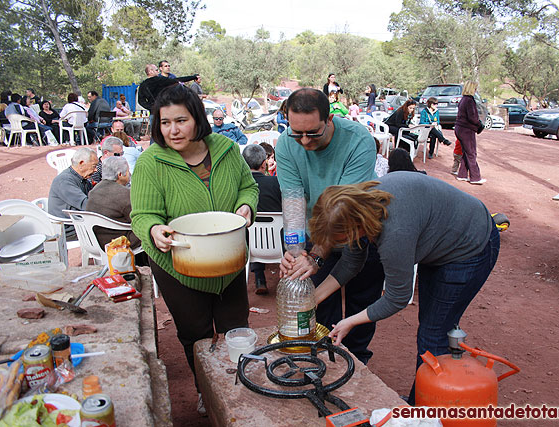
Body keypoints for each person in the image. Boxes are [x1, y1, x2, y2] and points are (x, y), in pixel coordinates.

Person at [308, 172, 500, 405]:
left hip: (469, 246)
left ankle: (423, 413)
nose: (344, 244)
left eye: (343, 239)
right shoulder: (355, 204)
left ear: (358, 227)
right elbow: (351, 261)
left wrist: (349, 321)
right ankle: (420, 402)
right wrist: (314, 298)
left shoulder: (394, 233)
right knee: (432, 328)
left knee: (433, 335)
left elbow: (398, 297)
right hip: (440, 236)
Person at [130, 84, 258, 416]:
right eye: (164, 122)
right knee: (195, 333)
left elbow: (249, 186)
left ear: (197, 118)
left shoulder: (227, 149)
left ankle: (239, 383)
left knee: (235, 325)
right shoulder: (150, 163)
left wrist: (246, 207)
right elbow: (143, 215)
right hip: (179, 263)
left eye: (181, 120)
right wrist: (154, 230)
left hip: (227, 257)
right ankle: (206, 390)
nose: (172, 130)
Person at [276, 88, 384, 365]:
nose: (303, 141)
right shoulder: (286, 144)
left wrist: (316, 256)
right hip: (315, 230)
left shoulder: (358, 139)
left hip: (356, 228)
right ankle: (325, 359)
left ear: (330, 120)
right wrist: (297, 251)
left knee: (362, 300)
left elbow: (343, 211)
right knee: (319, 304)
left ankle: (358, 361)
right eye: (296, 132)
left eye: (312, 133)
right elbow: (293, 200)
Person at [242, 144, 282, 294]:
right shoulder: (276, 183)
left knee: (247, 229)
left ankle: (259, 279)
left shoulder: (239, 187)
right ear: (263, 163)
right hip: (279, 247)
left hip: (250, 248)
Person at [86, 156, 141, 250]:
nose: (130, 174)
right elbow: (138, 220)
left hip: (96, 240)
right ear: (120, 174)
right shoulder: (124, 194)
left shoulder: (94, 191)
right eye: (128, 171)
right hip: (119, 242)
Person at [48, 147, 98, 239]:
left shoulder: (82, 178)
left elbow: (94, 196)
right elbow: (86, 205)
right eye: (94, 166)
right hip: (70, 229)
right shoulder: (64, 181)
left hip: (79, 222)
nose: (95, 170)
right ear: (82, 164)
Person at [455, 81, 486, 185]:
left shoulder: (463, 99)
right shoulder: (469, 100)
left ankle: (462, 175)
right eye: (475, 88)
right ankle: (475, 177)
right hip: (466, 130)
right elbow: (472, 117)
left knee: (466, 152)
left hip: (459, 129)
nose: (476, 90)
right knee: (472, 153)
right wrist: (479, 125)